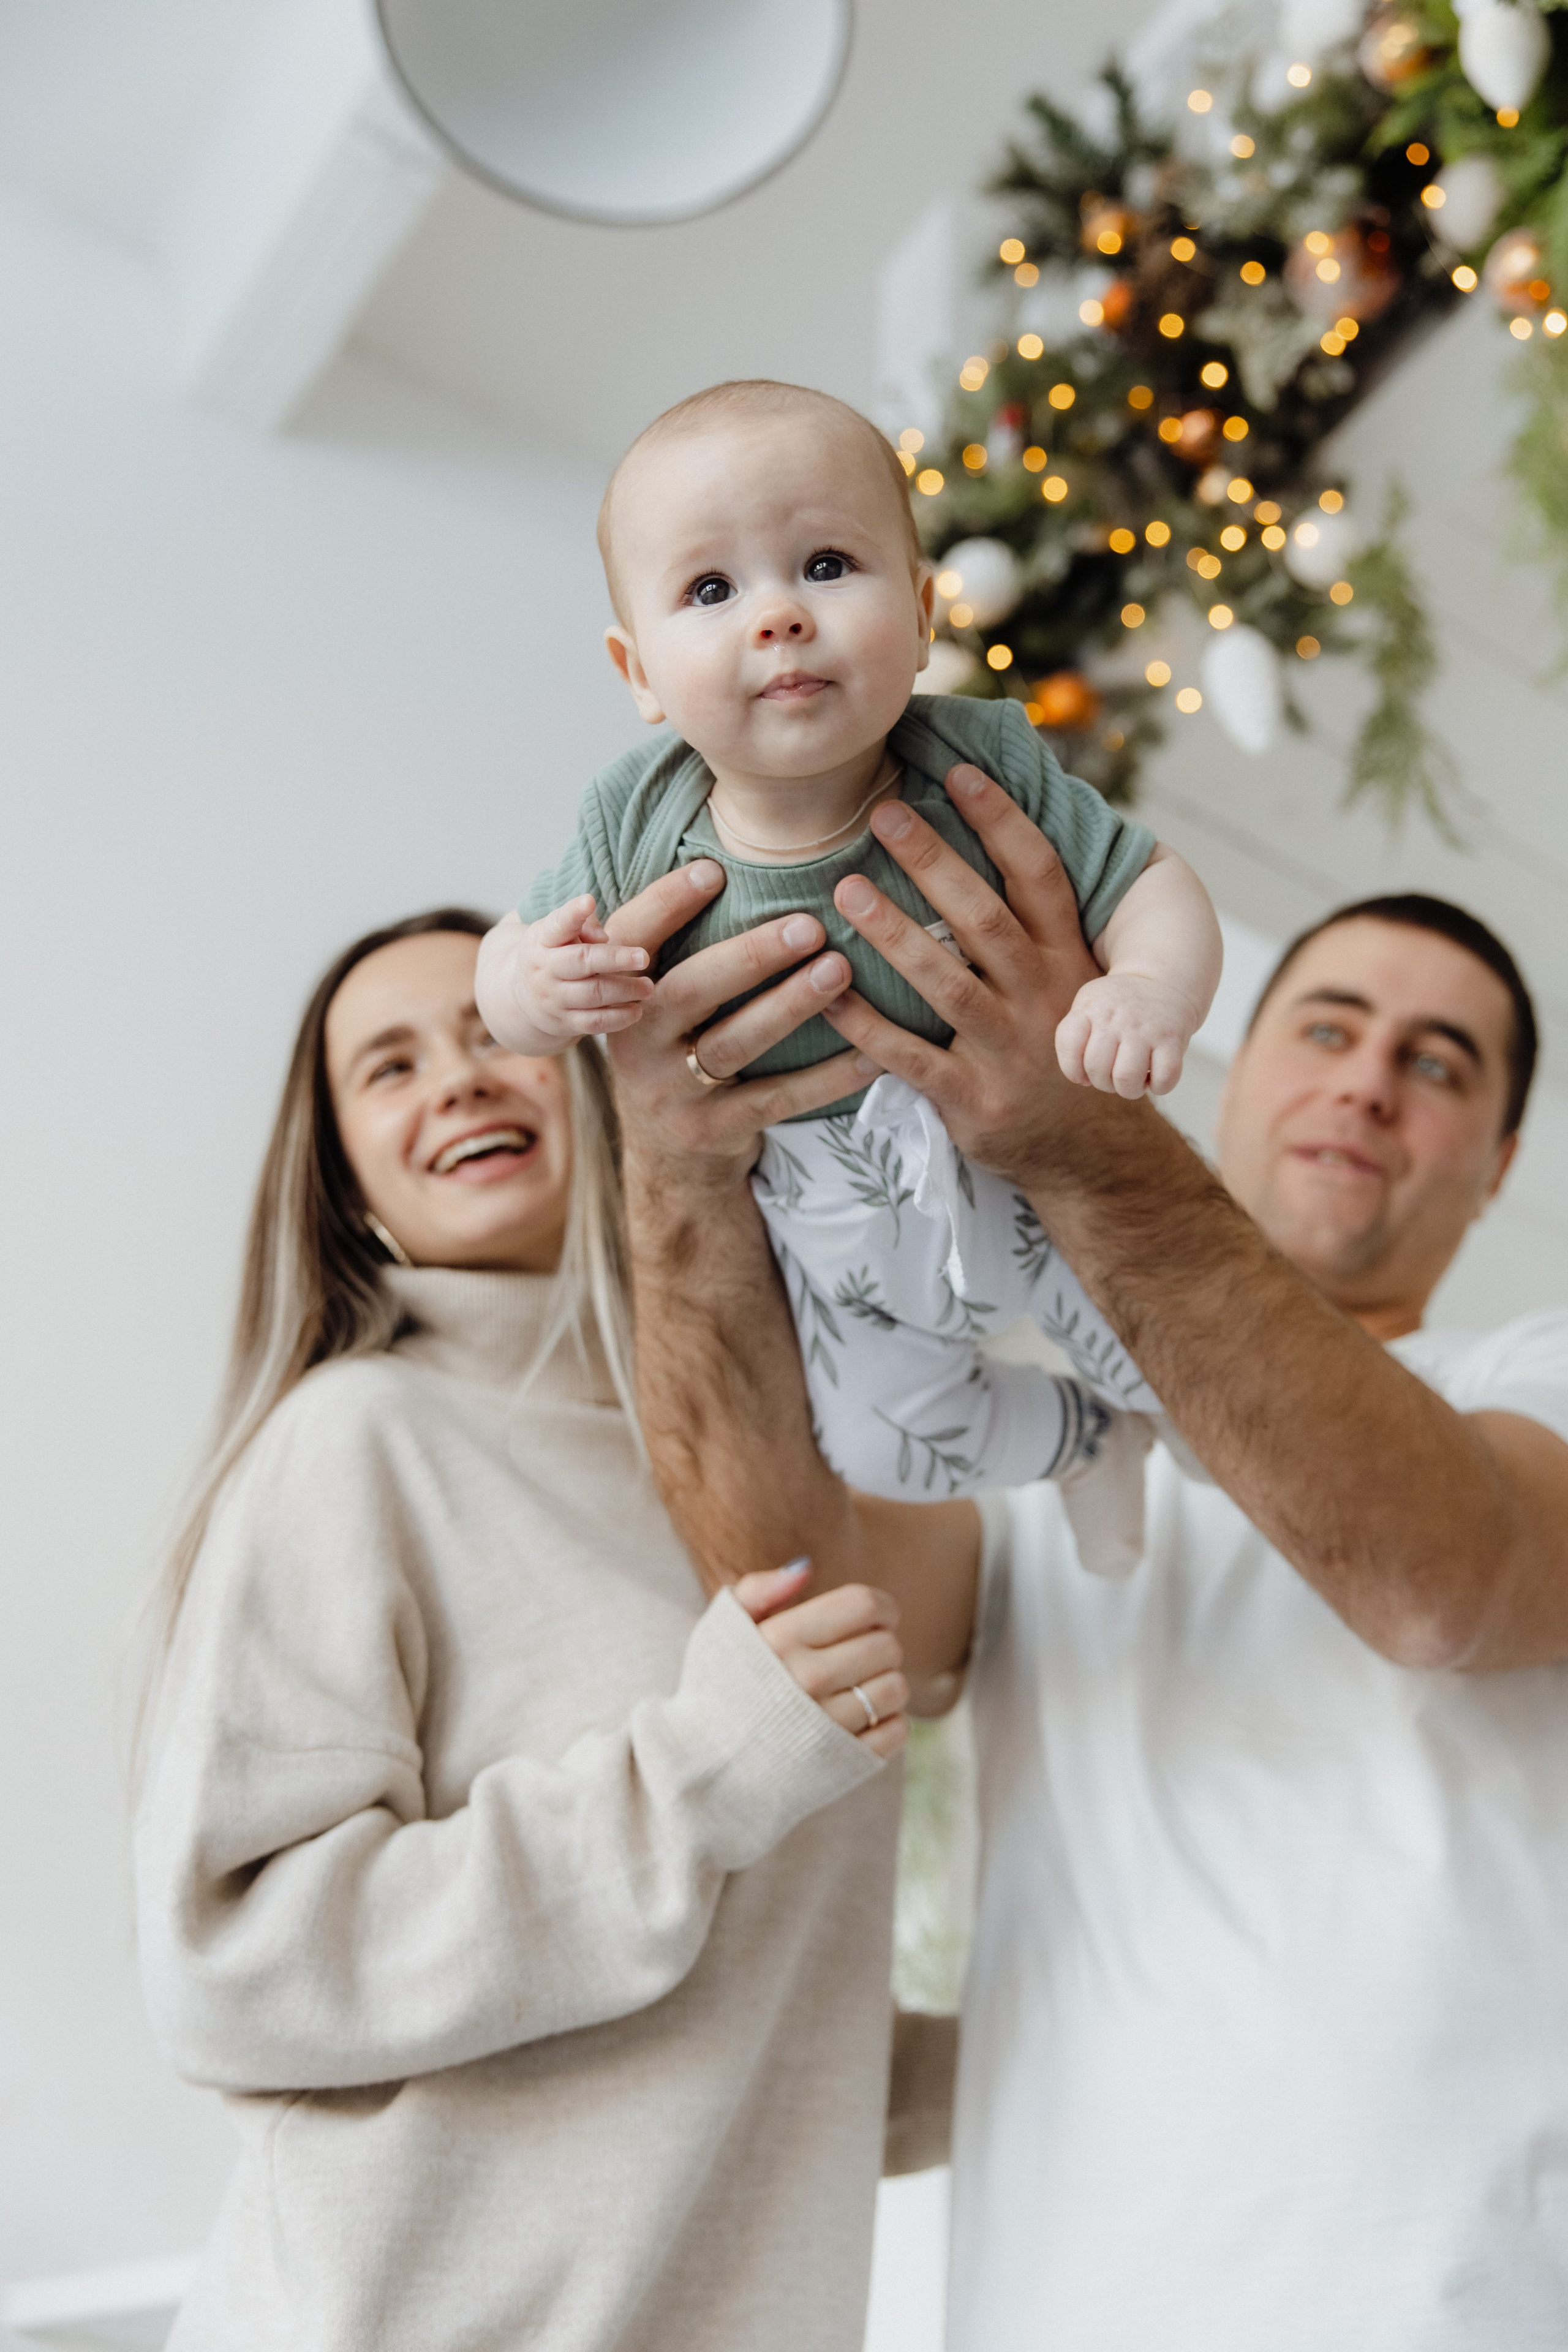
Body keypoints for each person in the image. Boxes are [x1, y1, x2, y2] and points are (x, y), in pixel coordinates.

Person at [605, 767, 1568, 2351]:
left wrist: (1087, 1146)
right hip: (1073, 2299)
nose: (1367, 1086)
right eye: (1327, 1030)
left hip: (1457, 2297)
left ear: (1501, 1160)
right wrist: (678, 1163)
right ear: (1241, 1069)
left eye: (1434, 1062)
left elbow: (1441, 1589)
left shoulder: (1530, 1378)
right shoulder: (1037, 1423)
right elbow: (795, 1589)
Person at [132, 905, 914, 2352]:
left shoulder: (756, 1473)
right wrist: (701, 1774)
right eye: (390, 1067)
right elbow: (231, 1973)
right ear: (346, 1181)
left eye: (497, 1031)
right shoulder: (357, 1441)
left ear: (600, 1082)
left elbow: (740, 2019)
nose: (459, 1080)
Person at [477, 379, 1221, 1552]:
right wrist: (530, 989)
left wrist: (1147, 988)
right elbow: (505, 967)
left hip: (1033, 1177)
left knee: (1185, 1357)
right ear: (639, 672)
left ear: (922, 614)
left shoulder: (981, 766)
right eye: (712, 589)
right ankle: (1082, 1441)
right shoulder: (629, 826)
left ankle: (1188, 1430)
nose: (779, 615)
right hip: (836, 1229)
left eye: (826, 565)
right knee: (888, 1452)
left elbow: (1149, 882)